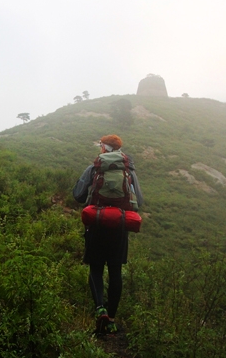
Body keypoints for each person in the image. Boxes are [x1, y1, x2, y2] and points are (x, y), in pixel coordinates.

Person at [72, 134, 144, 335]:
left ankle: (100, 308)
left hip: (96, 224)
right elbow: (139, 200)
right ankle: (111, 319)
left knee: (95, 268)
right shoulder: (129, 172)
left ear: (103, 148)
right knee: (115, 271)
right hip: (119, 227)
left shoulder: (94, 168)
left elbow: (78, 195)